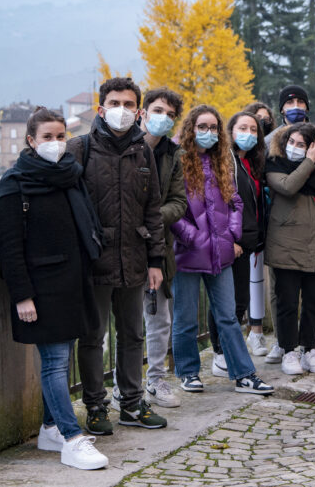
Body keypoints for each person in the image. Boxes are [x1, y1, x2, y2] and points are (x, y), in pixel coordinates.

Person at [0, 107, 108, 470]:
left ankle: (49, 428)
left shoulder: (70, 175)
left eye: (61, 136)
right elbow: (9, 246)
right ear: (31, 140)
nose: (56, 143)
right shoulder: (15, 183)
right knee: (55, 363)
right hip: (42, 288)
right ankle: (73, 439)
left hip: (74, 282)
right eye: (47, 137)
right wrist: (22, 295)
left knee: (62, 358)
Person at [66, 77, 168, 435]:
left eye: (128, 104)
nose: (120, 111)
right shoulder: (81, 149)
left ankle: (132, 403)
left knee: (132, 335)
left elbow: (153, 208)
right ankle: (95, 407)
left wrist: (156, 260)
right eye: (114, 103)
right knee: (93, 337)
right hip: (94, 261)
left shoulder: (144, 153)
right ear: (100, 108)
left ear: (138, 111)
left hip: (135, 260)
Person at [170, 105, 273, 396]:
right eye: (202, 127)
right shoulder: (178, 162)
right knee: (186, 317)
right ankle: (188, 372)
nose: (208, 133)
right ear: (191, 129)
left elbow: (236, 202)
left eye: (213, 127)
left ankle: (243, 374)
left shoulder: (221, 162)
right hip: (188, 253)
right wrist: (193, 237)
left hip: (220, 253)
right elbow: (171, 208)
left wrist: (231, 234)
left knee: (228, 316)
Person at [264, 122, 315, 375]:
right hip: (285, 245)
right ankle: (289, 351)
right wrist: (308, 162)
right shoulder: (275, 165)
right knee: (287, 303)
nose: (295, 149)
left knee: (313, 303)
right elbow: (288, 186)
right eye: (292, 143)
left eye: (303, 145)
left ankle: (309, 349)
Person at [131, 87, 188, 410]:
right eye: (157, 110)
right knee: (125, 321)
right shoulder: (125, 147)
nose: (163, 118)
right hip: (121, 248)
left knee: (159, 318)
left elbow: (178, 202)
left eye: (169, 114)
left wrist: (150, 219)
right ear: (143, 112)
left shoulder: (172, 155)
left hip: (158, 248)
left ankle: (155, 379)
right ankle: (124, 386)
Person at [208, 111, 270, 380]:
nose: (248, 133)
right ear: (230, 132)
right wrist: (229, 238)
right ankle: (220, 354)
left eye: (254, 129)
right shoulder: (226, 162)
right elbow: (222, 204)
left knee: (239, 301)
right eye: (242, 128)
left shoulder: (250, 163)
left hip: (247, 243)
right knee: (226, 303)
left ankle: (228, 352)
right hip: (229, 243)